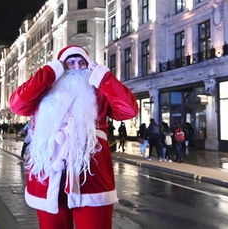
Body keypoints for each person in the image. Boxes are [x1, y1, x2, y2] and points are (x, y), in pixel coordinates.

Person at [9, 45, 138, 229]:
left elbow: (129, 110)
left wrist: (105, 78)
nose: (77, 67)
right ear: (61, 66)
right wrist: (48, 72)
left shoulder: (98, 91)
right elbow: (17, 104)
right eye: (70, 63)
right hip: (48, 176)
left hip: (90, 175)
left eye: (81, 63)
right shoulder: (44, 90)